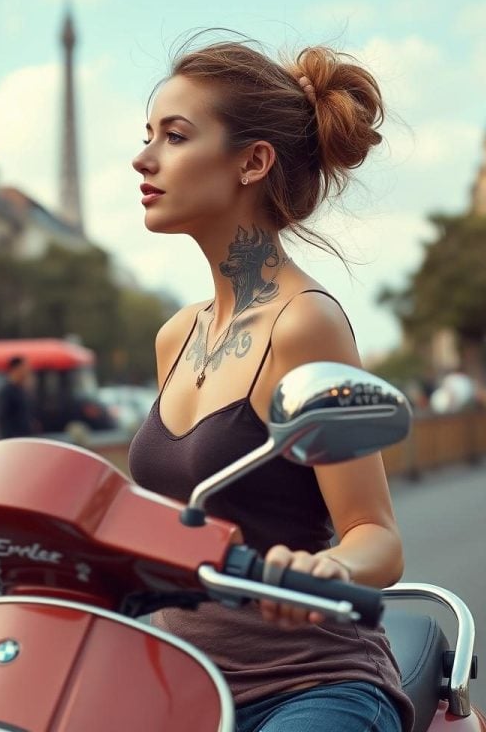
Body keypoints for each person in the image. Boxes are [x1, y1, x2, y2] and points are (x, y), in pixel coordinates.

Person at [128, 37, 413, 732]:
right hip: (179, 683)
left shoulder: (302, 323)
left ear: (253, 162)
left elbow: (376, 535)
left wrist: (328, 571)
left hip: (307, 686)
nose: (143, 158)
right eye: (147, 136)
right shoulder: (176, 335)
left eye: (175, 136)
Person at [0, 355, 34, 438]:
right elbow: (2, 418)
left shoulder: (21, 390)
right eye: (24, 368)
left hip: (24, 438)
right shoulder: (7, 391)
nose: (27, 371)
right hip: (13, 440)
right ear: (16, 369)